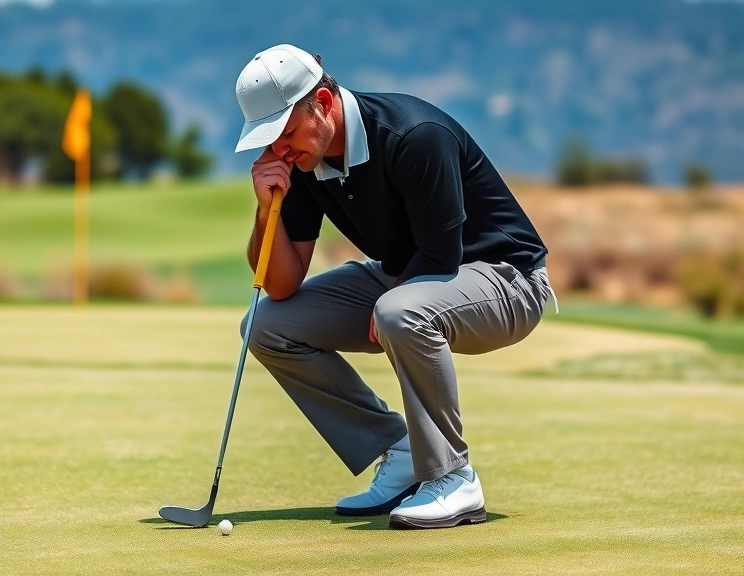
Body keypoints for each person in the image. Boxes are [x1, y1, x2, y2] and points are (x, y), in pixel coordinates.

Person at [234, 44, 556, 529]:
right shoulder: (302, 161)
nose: (278, 149)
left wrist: (391, 299)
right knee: (266, 326)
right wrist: (265, 210)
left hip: (507, 280)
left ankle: (454, 478)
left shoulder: (414, 136)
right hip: (409, 277)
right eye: (268, 139)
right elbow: (278, 284)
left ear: (321, 103)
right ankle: (400, 450)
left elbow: (441, 256)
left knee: (399, 311)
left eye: (284, 133)